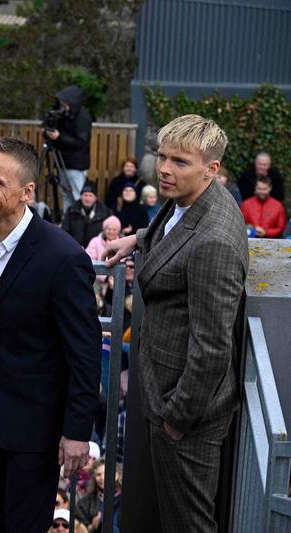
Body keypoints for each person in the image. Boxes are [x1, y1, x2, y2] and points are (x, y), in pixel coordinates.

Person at [0, 137, 101, 533]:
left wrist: (76, 432)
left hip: (36, 429)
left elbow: (84, 354)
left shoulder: (63, 257)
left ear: (27, 192)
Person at [105, 114, 249, 532]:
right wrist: (140, 238)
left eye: (180, 162)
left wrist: (175, 418)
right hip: (166, 393)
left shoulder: (215, 242)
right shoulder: (189, 200)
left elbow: (213, 347)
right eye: (162, 157)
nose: (164, 169)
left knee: (188, 524)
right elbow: (174, 227)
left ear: (212, 169)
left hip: (188, 417)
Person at [43, 86, 92, 212]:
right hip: (63, 161)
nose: (63, 106)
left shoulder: (82, 117)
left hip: (76, 164)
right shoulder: (65, 114)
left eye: (65, 104)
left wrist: (59, 137)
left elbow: (81, 142)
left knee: (76, 195)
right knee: (66, 195)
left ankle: (79, 223)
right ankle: (67, 223)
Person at [61, 181, 114, 248]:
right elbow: (64, 232)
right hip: (74, 249)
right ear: (81, 197)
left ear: (95, 198)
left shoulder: (106, 212)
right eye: (85, 195)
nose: (87, 199)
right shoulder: (71, 211)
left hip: (97, 251)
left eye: (90, 196)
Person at [76, 460, 121, 532]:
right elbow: (78, 529)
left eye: (106, 473)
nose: (102, 478)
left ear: (117, 475)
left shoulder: (124, 499)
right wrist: (92, 526)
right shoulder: (85, 502)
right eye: (98, 474)